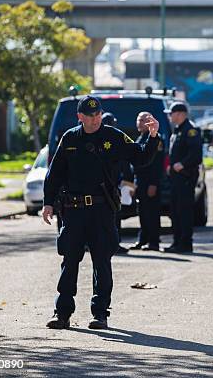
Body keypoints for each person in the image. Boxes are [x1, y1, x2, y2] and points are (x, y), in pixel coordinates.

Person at [42, 95, 160, 330]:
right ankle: (62, 313)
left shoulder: (113, 137)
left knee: (102, 262)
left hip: (101, 211)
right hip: (73, 211)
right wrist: (48, 203)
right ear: (80, 117)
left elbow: (142, 157)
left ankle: (100, 314)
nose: (95, 119)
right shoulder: (70, 138)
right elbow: (54, 174)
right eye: (90, 116)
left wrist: (153, 135)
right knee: (69, 262)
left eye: (98, 115)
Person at [164, 101, 202, 254]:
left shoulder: (190, 130)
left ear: (180, 114)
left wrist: (182, 164)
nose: (170, 116)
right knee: (175, 211)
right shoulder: (178, 130)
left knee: (184, 211)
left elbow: (196, 155)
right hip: (176, 178)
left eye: (171, 113)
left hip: (185, 178)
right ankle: (177, 241)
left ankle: (185, 243)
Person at [129, 111, 164, 251]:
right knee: (143, 212)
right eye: (138, 120)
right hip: (140, 182)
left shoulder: (155, 138)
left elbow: (157, 164)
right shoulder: (140, 138)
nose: (139, 123)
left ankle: (154, 242)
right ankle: (143, 239)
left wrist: (154, 184)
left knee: (152, 213)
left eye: (143, 120)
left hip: (150, 182)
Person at [101, 112, 133, 254]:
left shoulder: (95, 137)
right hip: (111, 186)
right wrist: (128, 182)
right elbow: (125, 163)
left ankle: (108, 244)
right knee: (113, 217)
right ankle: (113, 244)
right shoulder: (117, 138)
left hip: (104, 187)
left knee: (107, 217)